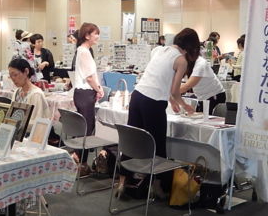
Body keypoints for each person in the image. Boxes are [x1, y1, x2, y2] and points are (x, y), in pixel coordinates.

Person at [118, 27, 200, 197]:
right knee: (157, 145)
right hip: (153, 103)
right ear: (191, 47)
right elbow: (175, 90)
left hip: (137, 96)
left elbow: (158, 79)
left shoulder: (159, 50)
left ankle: (122, 182)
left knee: (132, 140)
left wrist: (171, 101)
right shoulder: (181, 60)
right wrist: (185, 105)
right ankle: (157, 186)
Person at [72, 23, 104, 174]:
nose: (98, 36)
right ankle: (80, 160)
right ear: (87, 35)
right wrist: (98, 89)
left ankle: (80, 160)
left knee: (84, 128)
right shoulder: (84, 51)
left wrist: (97, 88)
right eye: (95, 33)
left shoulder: (82, 50)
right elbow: (89, 78)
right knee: (86, 129)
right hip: (85, 94)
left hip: (82, 93)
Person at [8, 58, 49, 127]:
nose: (13, 79)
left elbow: (35, 123)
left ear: (26, 72)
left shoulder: (36, 94)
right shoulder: (16, 92)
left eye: (15, 75)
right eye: (10, 76)